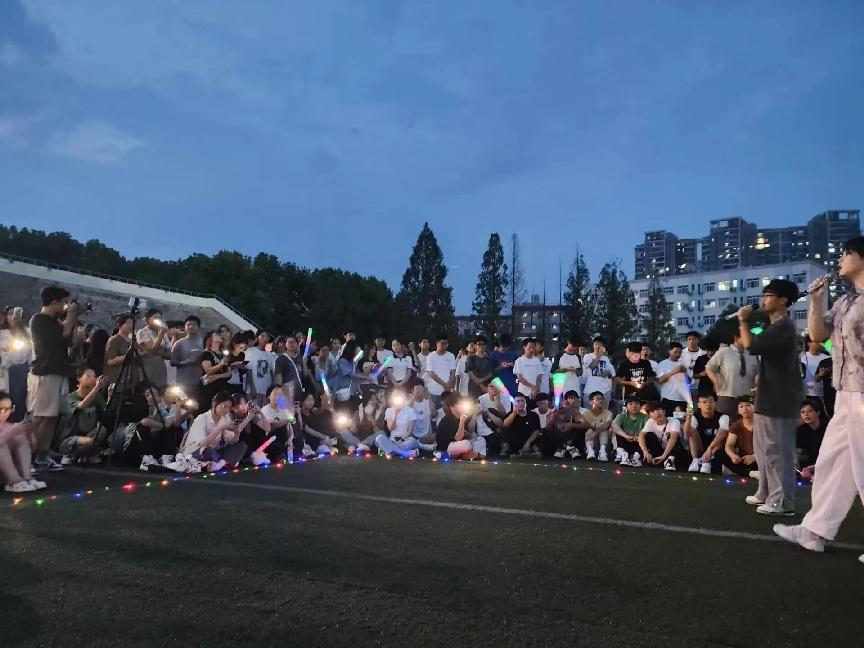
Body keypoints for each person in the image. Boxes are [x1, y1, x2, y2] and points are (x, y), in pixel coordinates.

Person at [774, 236, 864, 561]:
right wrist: (817, 300)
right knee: (832, 463)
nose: (840, 259)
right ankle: (815, 531)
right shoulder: (845, 301)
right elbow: (817, 334)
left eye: (846, 253)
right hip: (845, 391)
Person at [737, 278, 803, 516]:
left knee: (777, 452)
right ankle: (765, 492)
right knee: (764, 451)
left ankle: (782, 502)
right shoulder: (775, 326)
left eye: (769, 295)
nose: (763, 299)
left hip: (779, 399)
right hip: (767, 397)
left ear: (783, 300)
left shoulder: (783, 326)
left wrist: (743, 320)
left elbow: (751, 346)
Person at [28, 285, 77, 472]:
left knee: (51, 418)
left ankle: (42, 457)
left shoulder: (54, 322)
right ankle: (27, 457)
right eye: (62, 303)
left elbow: (67, 343)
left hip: (58, 372)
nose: (64, 307)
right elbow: (61, 338)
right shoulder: (39, 320)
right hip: (45, 373)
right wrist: (71, 315)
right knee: (40, 418)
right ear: (54, 302)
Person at [175, 391, 243, 473]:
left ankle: (219, 464)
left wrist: (237, 432)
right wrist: (220, 429)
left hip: (214, 451)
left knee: (241, 446)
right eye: (224, 406)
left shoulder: (225, 418)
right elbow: (201, 444)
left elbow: (231, 441)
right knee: (208, 450)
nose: (226, 410)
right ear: (214, 404)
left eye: (229, 408)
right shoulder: (202, 418)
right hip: (196, 452)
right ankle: (223, 462)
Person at [58, 368, 109, 466]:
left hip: (87, 434)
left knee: (102, 430)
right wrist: (96, 389)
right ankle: (69, 454)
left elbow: (106, 413)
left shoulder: (97, 397)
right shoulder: (70, 397)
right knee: (91, 442)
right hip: (69, 439)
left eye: (94, 376)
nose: (92, 379)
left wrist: (110, 396)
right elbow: (81, 406)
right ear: (79, 378)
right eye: (88, 376)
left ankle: (85, 455)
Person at [706, 328, 759, 419]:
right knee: (727, 425)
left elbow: (758, 374)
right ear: (736, 338)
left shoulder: (753, 354)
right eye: (746, 335)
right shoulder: (724, 352)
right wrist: (716, 381)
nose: (749, 338)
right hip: (728, 397)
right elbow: (709, 367)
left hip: (747, 399)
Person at [0, 391, 46, 493]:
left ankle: (27, 478)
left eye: (9, 409)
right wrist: (12, 431)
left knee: (20, 437)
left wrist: (29, 432)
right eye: (1, 409)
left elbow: (33, 448)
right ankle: (14, 480)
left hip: (10, 469)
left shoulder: (9, 425)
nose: (5, 412)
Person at [682, 394, 729, 474]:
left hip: (714, 450)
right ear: (698, 405)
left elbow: (723, 433)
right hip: (699, 448)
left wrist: (710, 448)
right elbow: (687, 433)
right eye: (704, 402)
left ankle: (706, 462)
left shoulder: (723, 416)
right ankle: (695, 461)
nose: (708, 404)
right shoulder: (695, 416)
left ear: (715, 403)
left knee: (722, 436)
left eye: (711, 401)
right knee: (692, 432)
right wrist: (689, 416)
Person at [639, 401, 688, 472]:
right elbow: (641, 435)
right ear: (649, 415)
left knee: (671, 435)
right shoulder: (650, 421)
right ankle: (639, 456)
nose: (656, 413)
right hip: (660, 450)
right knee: (648, 435)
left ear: (664, 411)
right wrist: (645, 451)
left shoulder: (674, 421)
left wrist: (664, 456)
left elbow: (673, 438)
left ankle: (670, 460)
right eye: (652, 411)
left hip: (676, 451)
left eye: (658, 409)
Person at [374, 389, 419, 458]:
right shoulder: (389, 410)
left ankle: (389, 450)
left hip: (405, 439)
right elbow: (390, 428)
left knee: (412, 442)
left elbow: (409, 432)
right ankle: (405, 453)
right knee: (379, 438)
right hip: (392, 439)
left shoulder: (410, 411)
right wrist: (395, 415)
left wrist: (401, 439)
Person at [435, 393, 481, 460]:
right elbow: (458, 438)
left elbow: (469, 433)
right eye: (459, 404)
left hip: (459, 445)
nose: (462, 406)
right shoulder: (446, 420)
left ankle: (464, 455)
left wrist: (469, 435)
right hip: (446, 448)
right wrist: (462, 421)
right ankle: (463, 455)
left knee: (480, 439)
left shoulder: (463, 416)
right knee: (465, 444)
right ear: (452, 407)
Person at [722, 396, 759, 477]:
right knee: (720, 453)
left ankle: (757, 472)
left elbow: (770, 446)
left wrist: (755, 456)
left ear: (754, 407)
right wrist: (732, 455)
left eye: (748, 405)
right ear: (738, 411)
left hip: (760, 458)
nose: (745, 408)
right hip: (745, 459)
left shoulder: (762, 424)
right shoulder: (736, 425)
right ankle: (750, 473)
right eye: (741, 406)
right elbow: (729, 445)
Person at [171, 316, 204, 402]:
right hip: (183, 382)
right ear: (185, 327)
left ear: (198, 327)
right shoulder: (179, 343)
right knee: (183, 405)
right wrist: (186, 362)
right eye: (188, 324)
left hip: (201, 382)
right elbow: (172, 362)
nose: (191, 326)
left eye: (194, 324)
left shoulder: (203, 343)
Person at [258, 385, 295, 462]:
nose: (278, 396)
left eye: (280, 394)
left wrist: (290, 439)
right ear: (268, 396)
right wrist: (287, 420)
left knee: (297, 442)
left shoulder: (284, 409)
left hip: (284, 439)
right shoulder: (264, 410)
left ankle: (289, 459)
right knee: (280, 430)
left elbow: (290, 426)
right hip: (269, 440)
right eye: (275, 394)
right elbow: (271, 425)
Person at [136, 308, 170, 389]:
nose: (158, 320)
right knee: (149, 390)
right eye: (155, 317)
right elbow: (151, 349)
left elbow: (169, 352)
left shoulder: (162, 333)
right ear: (148, 319)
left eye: (160, 318)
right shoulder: (142, 332)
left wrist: (159, 352)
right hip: (149, 367)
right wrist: (160, 335)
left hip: (161, 367)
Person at [476, 381, 512, 457]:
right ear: (487, 389)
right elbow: (478, 412)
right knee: (489, 412)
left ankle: (505, 446)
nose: (494, 389)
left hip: (502, 423)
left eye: (496, 386)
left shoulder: (506, 397)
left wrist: (497, 401)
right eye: (491, 386)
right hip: (488, 424)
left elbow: (505, 415)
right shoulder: (481, 398)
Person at [612, 395, 649, 466]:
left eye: (636, 404)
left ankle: (636, 457)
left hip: (639, 444)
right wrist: (626, 436)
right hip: (625, 441)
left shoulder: (646, 417)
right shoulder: (622, 416)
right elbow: (614, 426)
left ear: (640, 406)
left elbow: (649, 431)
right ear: (626, 407)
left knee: (649, 436)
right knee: (615, 430)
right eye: (631, 404)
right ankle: (622, 453)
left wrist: (639, 438)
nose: (634, 406)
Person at [501, 394, 542, 458]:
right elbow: (505, 425)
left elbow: (537, 430)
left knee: (540, 437)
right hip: (514, 441)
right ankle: (519, 453)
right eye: (518, 401)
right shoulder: (510, 414)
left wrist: (528, 442)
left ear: (526, 403)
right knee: (504, 431)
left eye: (523, 401)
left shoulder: (533, 415)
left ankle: (526, 452)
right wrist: (514, 413)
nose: (521, 403)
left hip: (529, 441)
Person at [549, 390, 586, 459]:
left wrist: (572, 424)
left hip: (572, 439)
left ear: (564, 401)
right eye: (555, 401)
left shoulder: (572, 410)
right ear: (552, 403)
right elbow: (547, 429)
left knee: (578, 427)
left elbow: (586, 425)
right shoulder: (551, 413)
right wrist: (553, 416)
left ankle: (567, 448)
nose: (558, 403)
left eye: (560, 401)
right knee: (546, 431)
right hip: (559, 441)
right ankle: (568, 448)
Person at [655, 342, 690, 416]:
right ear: (670, 351)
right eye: (675, 352)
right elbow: (660, 380)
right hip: (668, 397)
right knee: (667, 419)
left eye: (680, 352)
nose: (678, 354)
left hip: (683, 398)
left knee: (682, 419)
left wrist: (685, 373)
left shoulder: (684, 363)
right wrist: (673, 372)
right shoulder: (663, 364)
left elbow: (689, 381)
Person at [103, 313, 138, 387]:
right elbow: (110, 361)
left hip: (131, 379)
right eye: (127, 323)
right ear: (119, 325)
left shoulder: (133, 340)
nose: (131, 325)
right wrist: (127, 356)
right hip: (117, 380)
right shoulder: (114, 340)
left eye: (132, 323)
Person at [199, 331, 231, 409]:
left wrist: (217, 376)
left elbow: (229, 373)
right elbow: (208, 370)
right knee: (208, 409)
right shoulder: (206, 353)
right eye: (216, 334)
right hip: (209, 388)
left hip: (222, 387)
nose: (219, 335)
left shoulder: (223, 354)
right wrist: (221, 364)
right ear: (210, 339)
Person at [424, 334, 456, 410]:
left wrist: (448, 385)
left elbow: (453, 372)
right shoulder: (430, 356)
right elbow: (431, 373)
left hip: (447, 392)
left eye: (446, 343)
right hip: (434, 391)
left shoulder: (451, 355)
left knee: (448, 413)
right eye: (442, 343)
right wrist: (444, 384)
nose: (445, 346)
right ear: (437, 343)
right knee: (434, 413)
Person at [581, 336, 615, 407]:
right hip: (590, 390)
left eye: (600, 345)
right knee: (588, 412)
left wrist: (607, 373)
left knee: (604, 412)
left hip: (604, 391)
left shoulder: (606, 359)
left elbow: (611, 375)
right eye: (596, 344)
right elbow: (592, 366)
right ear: (593, 345)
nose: (597, 347)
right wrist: (599, 355)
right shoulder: (587, 356)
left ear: (603, 346)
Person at [244, 329, 275, 407]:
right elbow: (249, 370)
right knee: (254, 411)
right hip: (254, 390)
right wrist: (252, 387)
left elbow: (272, 372)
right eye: (262, 336)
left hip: (266, 390)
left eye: (267, 337)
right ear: (257, 338)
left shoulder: (269, 355)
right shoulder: (250, 351)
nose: (265, 339)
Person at [551, 335, 584, 406]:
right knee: (562, 408)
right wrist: (566, 369)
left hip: (575, 387)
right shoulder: (559, 355)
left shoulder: (578, 356)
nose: (574, 348)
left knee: (575, 408)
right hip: (561, 388)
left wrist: (576, 371)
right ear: (568, 343)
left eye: (576, 346)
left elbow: (580, 372)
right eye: (573, 345)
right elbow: (554, 371)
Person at [582, 391, 613, 462]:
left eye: (602, 399)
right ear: (591, 402)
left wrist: (596, 432)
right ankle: (590, 451)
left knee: (604, 430)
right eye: (597, 399)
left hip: (604, 438)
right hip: (591, 438)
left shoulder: (608, 413)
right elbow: (591, 426)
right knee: (590, 430)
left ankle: (602, 451)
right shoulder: (586, 413)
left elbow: (607, 424)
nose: (600, 401)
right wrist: (595, 432)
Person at [796, 399, 827, 470]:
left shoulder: (828, 428)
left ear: (818, 413)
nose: (806, 414)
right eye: (803, 412)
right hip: (806, 468)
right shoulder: (800, 431)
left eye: (810, 411)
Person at [800, 336, 830, 407]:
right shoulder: (801, 357)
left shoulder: (827, 358)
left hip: (822, 396)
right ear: (809, 343)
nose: (820, 343)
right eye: (817, 341)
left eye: (821, 341)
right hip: (805, 395)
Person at [513, 337, 543, 408]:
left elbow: (539, 377)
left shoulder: (537, 360)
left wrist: (535, 389)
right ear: (524, 347)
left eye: (533, 347)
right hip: (523, 393)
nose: (532, 349)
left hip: (535, 393)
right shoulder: (519, 361)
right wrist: (532, 386)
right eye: (530, 347)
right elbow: (520, 378)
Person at [407, 384, 437, 450]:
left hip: (426, 435)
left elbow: (433, 413)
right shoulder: (410, 402)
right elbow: (408, 410)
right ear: (413, 391)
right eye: (417, 389)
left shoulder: (428, 402)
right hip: (413, 435)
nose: (418, 391)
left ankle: (418, 444)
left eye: (420, 389)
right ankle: (423, 446)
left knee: (435, 436)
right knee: (410, 441)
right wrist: (414, 395)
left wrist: (429, 397)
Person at [681, 331, 707, 398]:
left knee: (699, 403)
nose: (692, 341)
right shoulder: (681, 353)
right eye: (689, 339)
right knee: (688, 404)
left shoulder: (704, 354)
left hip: (701, 386)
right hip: (684, 387)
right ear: (686, 341)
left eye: (694, 339)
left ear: (698, 340)